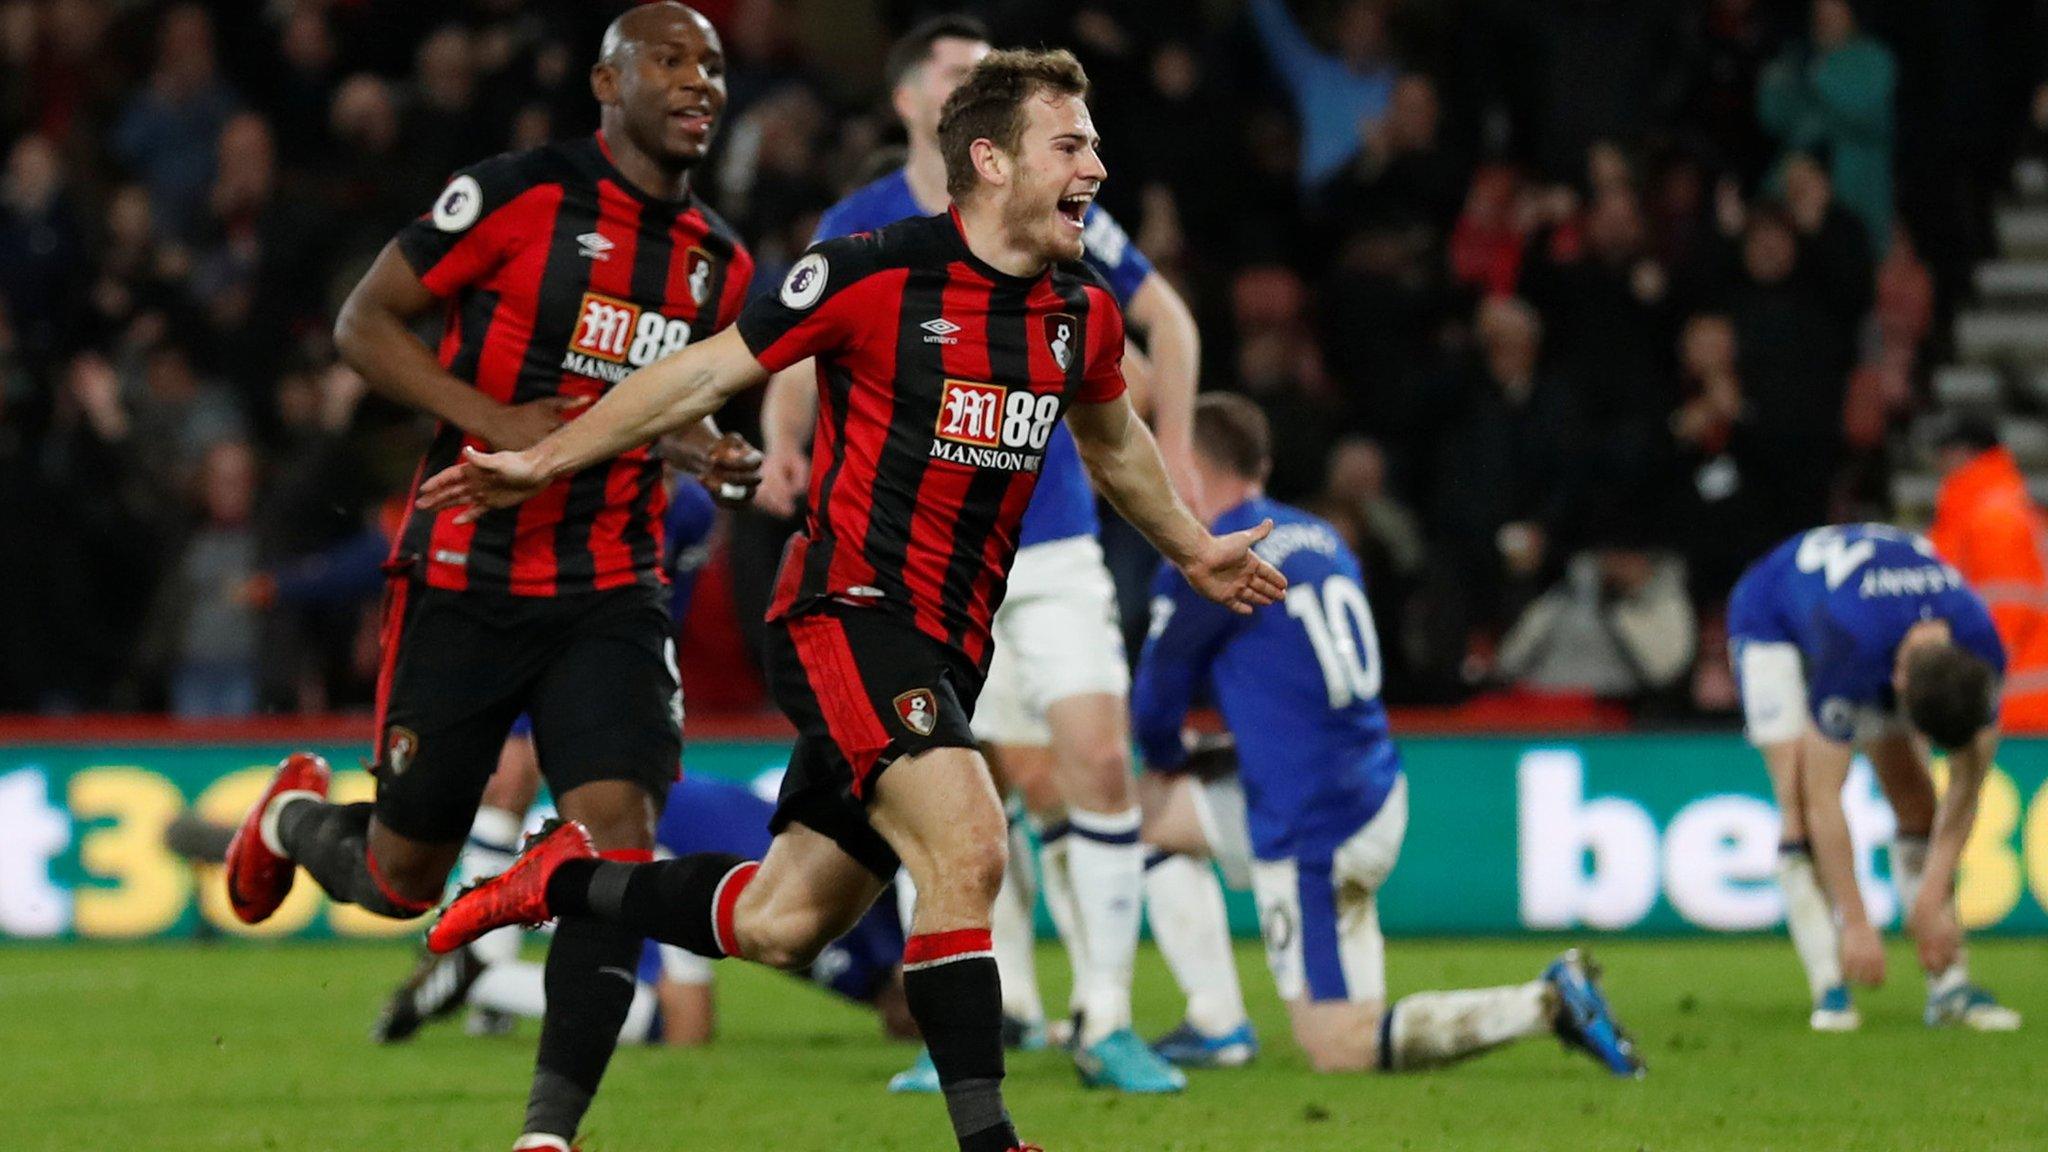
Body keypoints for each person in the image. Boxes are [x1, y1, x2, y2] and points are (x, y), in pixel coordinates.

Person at [418, 49, 1284, 1152]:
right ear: (990, 160)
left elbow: (1115, 452)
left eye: (1094, 146)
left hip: (944, 649)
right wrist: (545, 461)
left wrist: (1195, 548)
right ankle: (990, 1137)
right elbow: (695, 374)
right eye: (1070, 146)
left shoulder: (1080, 316)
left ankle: (567, 879)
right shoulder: (869, 275)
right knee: (968, 842)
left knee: (783, 922)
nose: (1097, 169)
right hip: (844, 614)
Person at [221, 9, 762, 1152]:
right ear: (605, 79)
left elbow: (656, 401)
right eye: (671, 59)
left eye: (711, 64)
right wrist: (495, 426)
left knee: (615, 843)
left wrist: (702, 447)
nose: (698, 81)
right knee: (404, 873)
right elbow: (365, 323)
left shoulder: (721, 260)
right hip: (467, 575)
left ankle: (546, 1135)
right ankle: (294, 814)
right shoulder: (519, 196)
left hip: (613, 582)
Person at [751, 14, 1234, 1092]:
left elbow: (1170, 321)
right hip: (912, 560)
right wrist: (782, 444)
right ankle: (996, 1013)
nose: (975, 78)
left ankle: (1104, 1017)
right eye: (951, 70)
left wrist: (1185, 456)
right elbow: (791, 347)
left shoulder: (1061, 223)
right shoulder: (865, 221)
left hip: (1048, 534)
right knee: (980, 792)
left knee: (1095, 760)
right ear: (914, 105)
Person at [1131, 393, 1643, 1078]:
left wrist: (1176, 758)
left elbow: (1155, 709)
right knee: (1145, 820)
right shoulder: (1321, 536)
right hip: (1368, 785)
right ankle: (1215, 1022)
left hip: (1312, 824)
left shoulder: (1212, 556)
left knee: (1340, 1047)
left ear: (1189, 464)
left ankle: (1546, 1002)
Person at [1727, 523, 2023, 1032]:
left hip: (1867, 607)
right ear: (1898, 682)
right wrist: (1858, 922)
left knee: (1917, 803)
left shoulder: (1981, 646)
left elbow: (1968, 782)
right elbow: (1826, 798)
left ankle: (1950, 990)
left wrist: (1932, 895)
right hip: (1771, 614)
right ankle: (1831, 986)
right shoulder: (1850, 651)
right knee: (1797, 798)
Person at [376, 771, 915, 1049]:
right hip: (662, 836)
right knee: (683, 1028)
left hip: (680, 827)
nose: (914, 1029)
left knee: (680, 1024)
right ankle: (484, 977)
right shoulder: (876, 922)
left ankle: (489, 981)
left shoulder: (868, 973)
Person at [1927, 418, 2048, 731]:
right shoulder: (1989, 510)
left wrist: (1966, 688)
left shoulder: (1995, 517)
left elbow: (2005, 613)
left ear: (1961, 454)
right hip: (2019, 703)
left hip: (2018, 711)